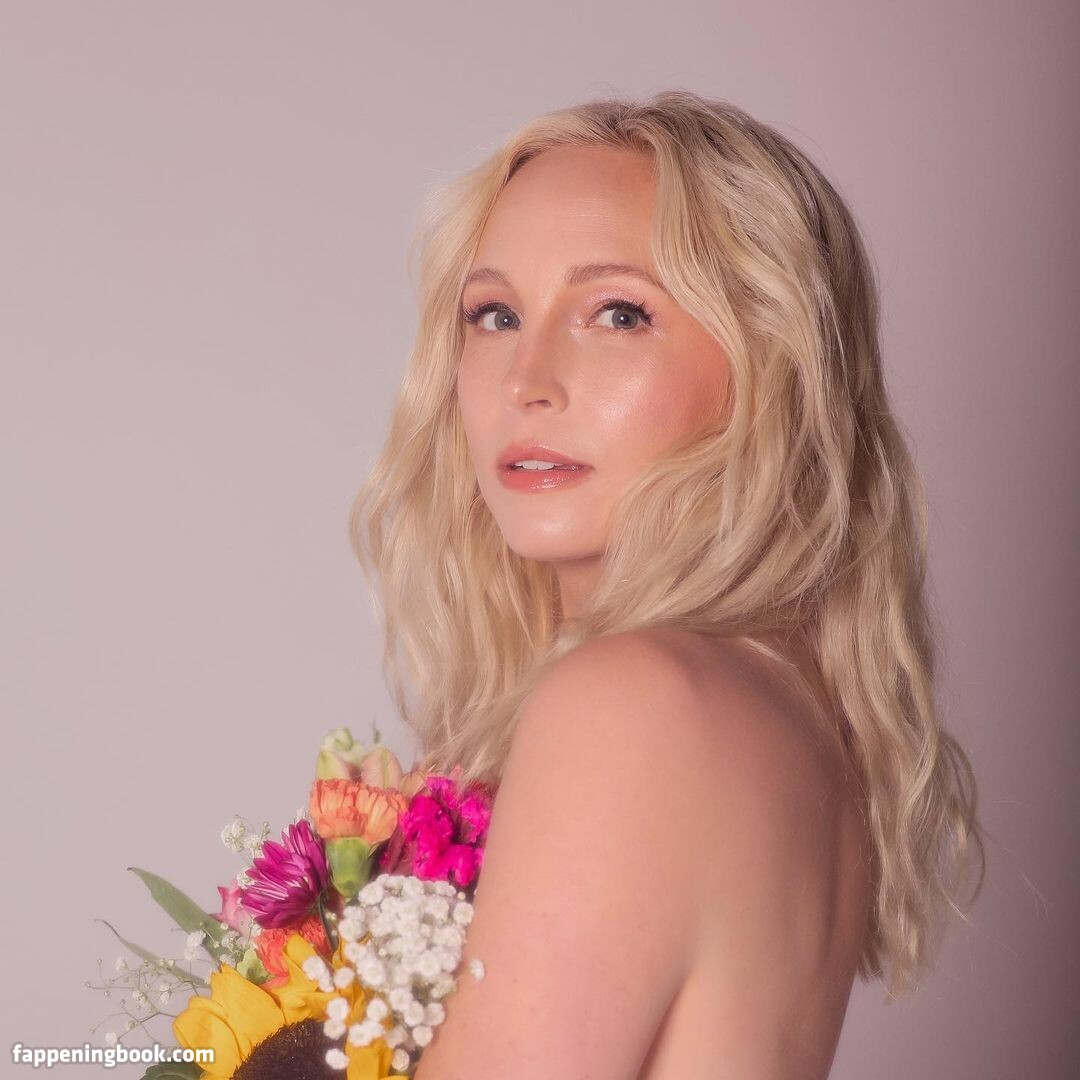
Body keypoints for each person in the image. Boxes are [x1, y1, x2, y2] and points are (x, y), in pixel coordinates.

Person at [349, 89, 986, 1079]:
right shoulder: (771, 701)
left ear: (771, 364)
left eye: (618, 314)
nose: (525, 379)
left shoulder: (636, 703)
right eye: (495, 314)